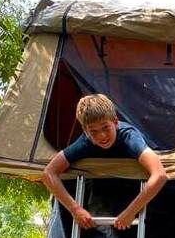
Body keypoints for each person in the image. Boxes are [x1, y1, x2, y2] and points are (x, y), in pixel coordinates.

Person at [42, 94, 167, 230]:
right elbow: (48, 173)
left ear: (115, 122)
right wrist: (75, 209)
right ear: (86, 131)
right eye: (93, 131)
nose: (101, 136)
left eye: (105, 127)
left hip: (133, 193)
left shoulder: (129, 137)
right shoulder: (86, 141)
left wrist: (131, 212)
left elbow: (160, 174)